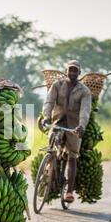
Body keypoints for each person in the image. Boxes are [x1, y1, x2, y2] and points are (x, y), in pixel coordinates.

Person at [42, 60, 91, 203]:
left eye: (75, 71)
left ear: (79, 73)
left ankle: (69, 191)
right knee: (51, 142)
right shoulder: (57, 85)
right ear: (66, 71)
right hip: (57, 121)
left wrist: (82, 125)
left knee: (72, 156)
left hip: (74, 126)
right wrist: (46, 116)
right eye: (70, 70)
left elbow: (85, 110)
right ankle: (50, 162)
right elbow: (49, 101)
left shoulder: (84, 91)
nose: (72, 73)